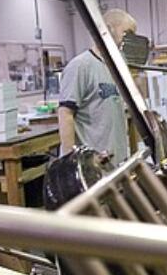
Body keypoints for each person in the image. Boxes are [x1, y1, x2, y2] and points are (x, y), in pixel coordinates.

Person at [57, 8, 137, 163]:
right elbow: (65, 114)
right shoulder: (80, 66)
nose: (130, 41)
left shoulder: (117, 67)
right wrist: (70, 161)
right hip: (94, 165)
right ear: (108, 29)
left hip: (116, 161)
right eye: (126, 33)